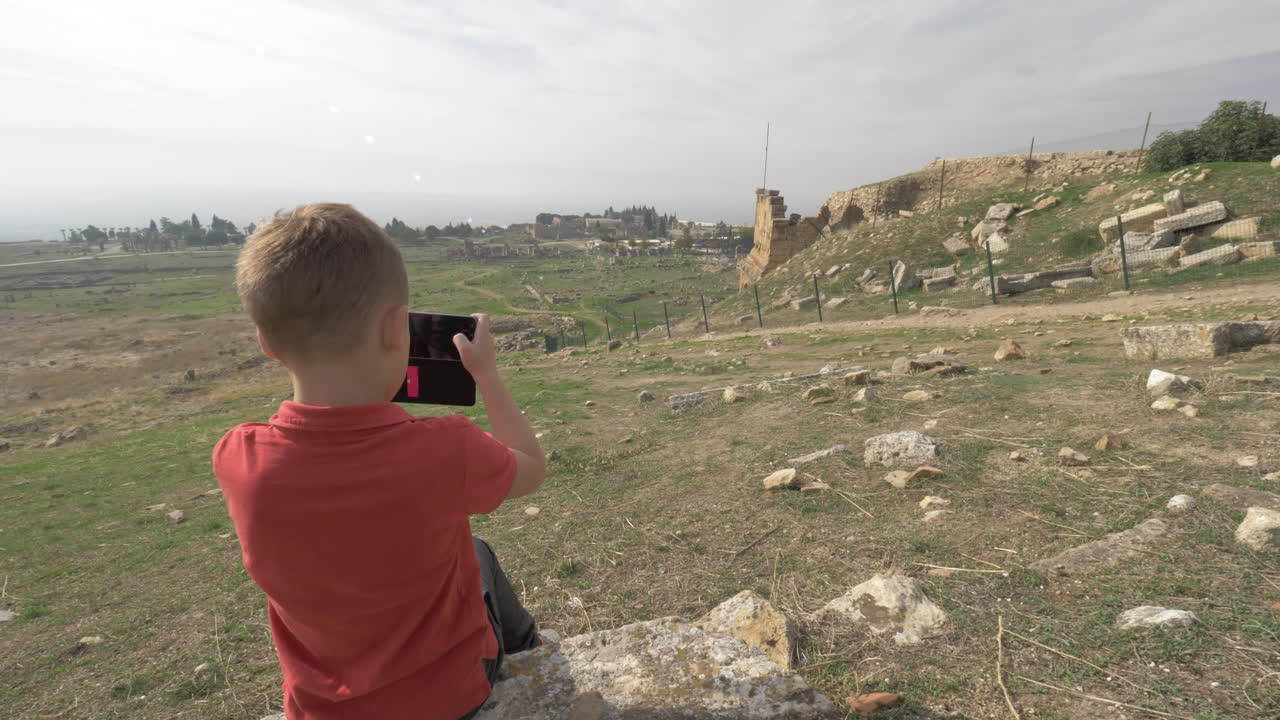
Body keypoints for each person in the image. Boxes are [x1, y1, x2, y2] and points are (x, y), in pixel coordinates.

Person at [213, 203, 546, 720]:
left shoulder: (238, 457)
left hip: (324, 710)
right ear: (399, 331)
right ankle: (531, 654)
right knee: (478, 552)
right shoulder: (445, 448)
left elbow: (344, 485)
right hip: (450, 697)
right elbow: (530, 465)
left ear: (266, 344)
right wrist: (486, 374)